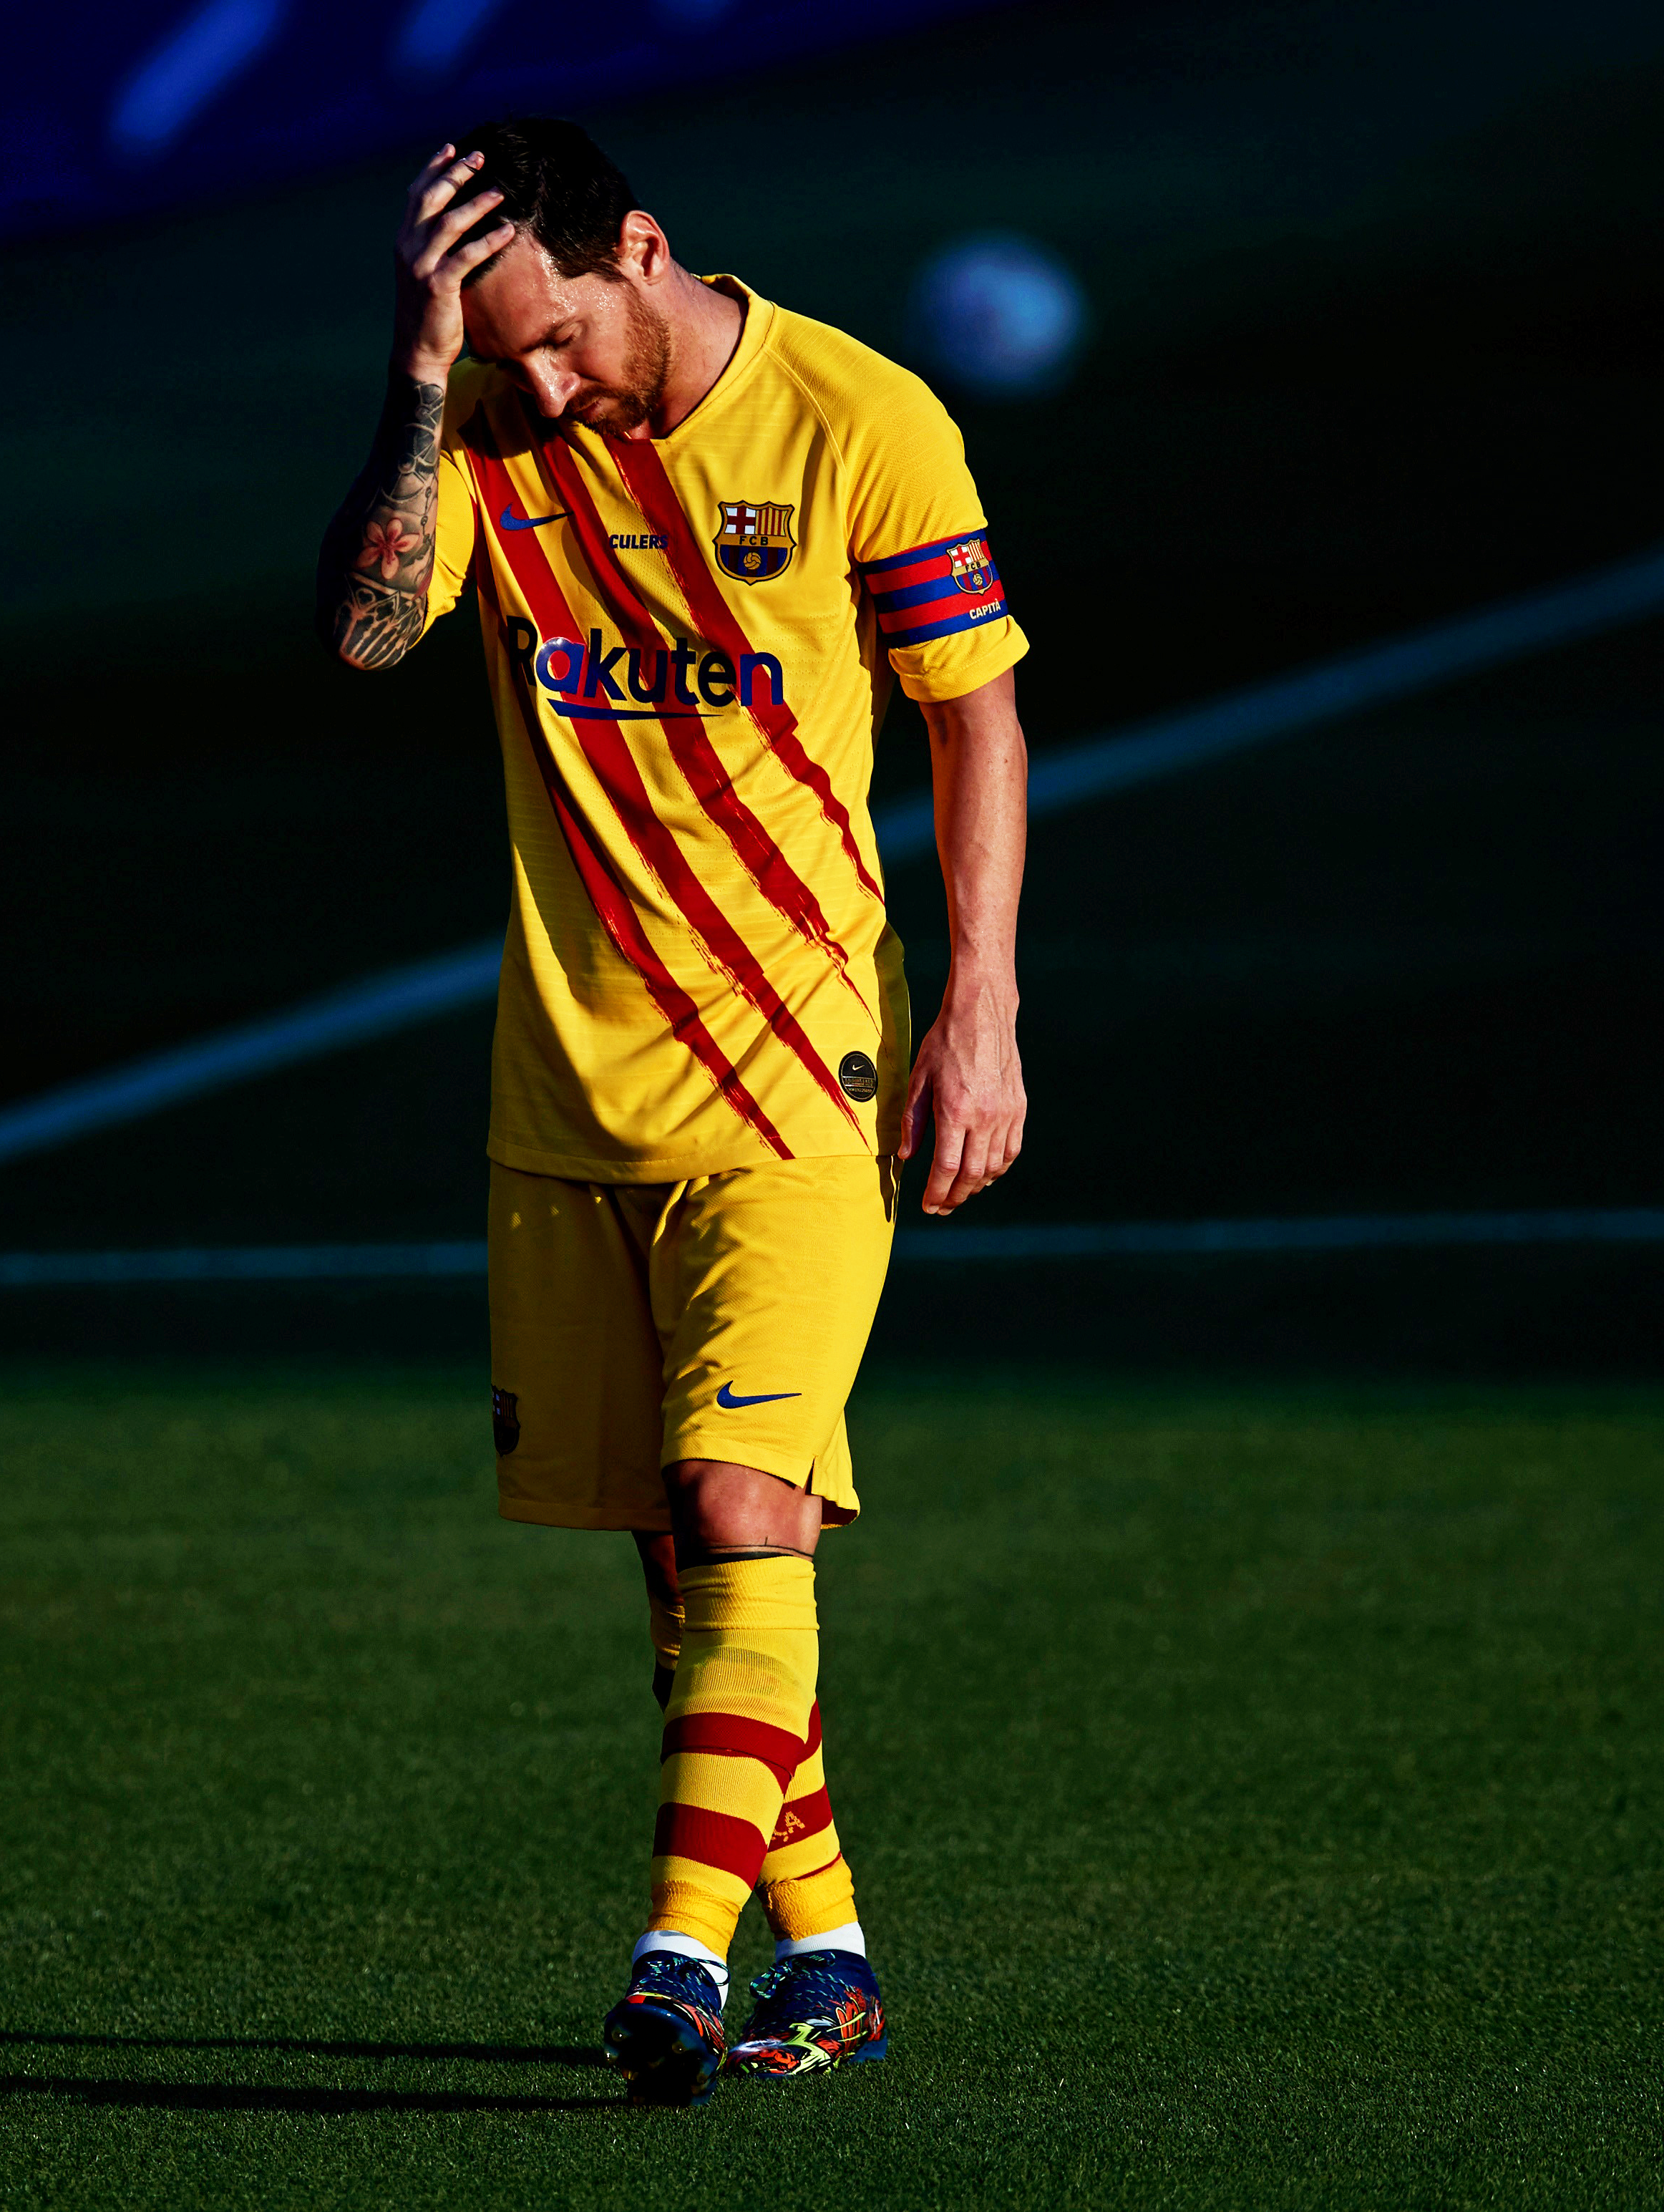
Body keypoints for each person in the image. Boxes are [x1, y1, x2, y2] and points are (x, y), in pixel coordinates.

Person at [315, 115, 1029, 2105]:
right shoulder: (478, 422)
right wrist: (416, 380)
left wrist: (980, 1011)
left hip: (806, 1071)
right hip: (566, 1095)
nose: (539, 386)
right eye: (497, 355)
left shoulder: (854, 420)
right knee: (678, 1566)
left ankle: (671, 1960)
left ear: (639, 244)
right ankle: (832, 1952)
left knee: (744, 1507)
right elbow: (367, 631)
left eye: (555, 338)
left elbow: (973, 712)